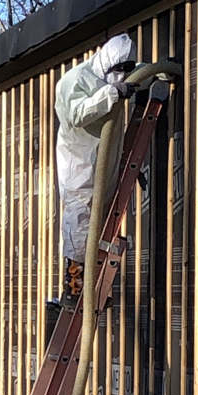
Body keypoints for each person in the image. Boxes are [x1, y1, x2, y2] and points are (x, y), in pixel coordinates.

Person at [54, 33, 139, 309]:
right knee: (79, 226)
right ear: (106, 62)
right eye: (118, 69)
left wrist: (159, 71)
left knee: (101, 228)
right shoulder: (75, 80)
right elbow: (75, 115)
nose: (121, 76)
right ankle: (74, 288)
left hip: (105, 163)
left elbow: (138, 73)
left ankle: (96, 286)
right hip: (79, 166)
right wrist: (111, 94)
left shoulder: (113, 74)